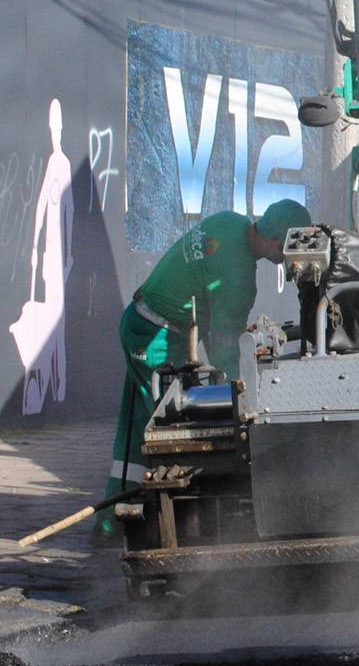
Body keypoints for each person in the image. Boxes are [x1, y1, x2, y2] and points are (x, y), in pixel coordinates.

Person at [103, 200, 310, 515]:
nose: (285, 259)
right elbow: (225, 350)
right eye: (286, 251)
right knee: (170, 428)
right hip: (154, 337)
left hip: (142, 321)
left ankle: (111, 522)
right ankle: (172, 514)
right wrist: (246, 400)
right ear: (274, 242)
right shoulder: (238, 276)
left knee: (133, 429)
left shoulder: (229, 222)